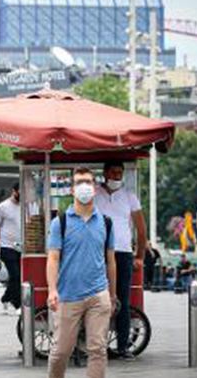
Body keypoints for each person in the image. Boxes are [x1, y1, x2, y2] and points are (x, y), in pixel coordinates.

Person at [47, 167, 116, 378]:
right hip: (68, 296)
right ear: (71, 189)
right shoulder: (61, 222)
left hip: (98, 294)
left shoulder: (106, 222)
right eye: (79, 182)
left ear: (95, 188)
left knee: (98, 350)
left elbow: (111, 261)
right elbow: (53, 258)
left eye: (87, 181)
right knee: (61, 352)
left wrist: (112, 295)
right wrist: (52, 290)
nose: (84, 186)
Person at [93, 161, 147, 361]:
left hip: (123, 253)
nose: (117, 177)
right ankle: (97, 345)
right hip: (98, 252)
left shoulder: (129, 197)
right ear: (105, 173)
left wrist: (140, 256)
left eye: (120, 173)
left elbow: (141, 230)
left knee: (122, 299)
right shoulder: (95, 195)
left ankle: (122, 346)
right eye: (114, 173)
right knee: (98, 299)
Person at [0, 182, 22, 314]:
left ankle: (6, 298)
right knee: (15, 275)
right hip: (7, 246)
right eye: (20, 191)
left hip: (23, 247)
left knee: (20, 277)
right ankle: (16, 303)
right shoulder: (3, 207)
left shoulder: (26, 205)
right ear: (14, 191)